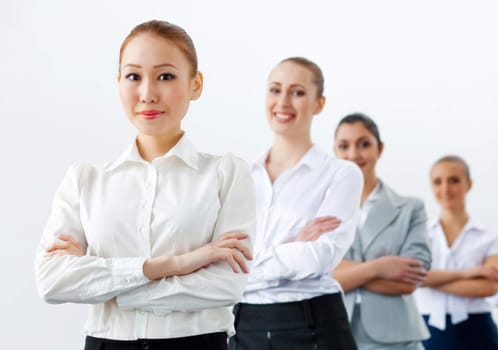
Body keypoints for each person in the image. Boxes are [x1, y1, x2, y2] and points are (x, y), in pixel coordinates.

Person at [35, 20, 255, 350]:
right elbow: (51, 280)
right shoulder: (85, 180)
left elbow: (226, 286)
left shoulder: (227, 174)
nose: (148, 94)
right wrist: (177, 264)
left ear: (196, 84)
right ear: (119, 82)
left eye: (165, 76)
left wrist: (109, 284)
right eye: (133, 76)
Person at [228, 57, 363, 350]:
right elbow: (216, 260)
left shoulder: (341, 174)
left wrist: (246, 265)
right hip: (242, 323)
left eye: (298, 92)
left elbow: (320, 257)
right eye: (275, 90)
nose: (283, 101)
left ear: (319, 103)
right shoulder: (239, 176)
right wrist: (293, 248)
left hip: (312, 322)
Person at [332, 113, 431, 350]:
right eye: (344, 146)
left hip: (397, 339)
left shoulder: (410, 209)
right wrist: (380, 267)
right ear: (335, 152)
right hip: (334, 332)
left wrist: (343, 272)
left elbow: (410, 279)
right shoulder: (321, 209)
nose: (354, 154)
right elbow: (314, 275)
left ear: (380, 148)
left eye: (364, 144)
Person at [414, 155, 498, 350]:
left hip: (478, 331)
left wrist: (428, 279)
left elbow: (488, 287)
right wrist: (468, 274)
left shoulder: (489, 235)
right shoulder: (419, 233)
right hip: (428, 331)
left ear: (468, 184)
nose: (445, 189)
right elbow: (411, 277)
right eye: (438, 181)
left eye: (454, 180)